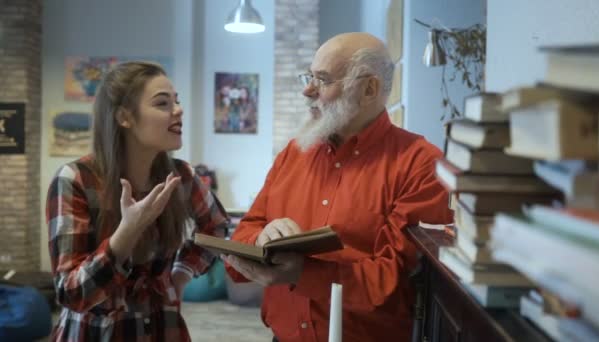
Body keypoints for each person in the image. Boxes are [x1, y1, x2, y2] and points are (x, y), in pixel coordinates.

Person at [224, 32, 453, 342]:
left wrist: (300, 272)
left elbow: (394, 278)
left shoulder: (421, 164)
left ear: (369, 88)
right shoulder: (294, 152)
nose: (307, 90)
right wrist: (261, 241)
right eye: (309, 77)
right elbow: (244, 233)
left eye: (322, 80)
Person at [46, 61, 228, 341]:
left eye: (176, 101)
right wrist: (127, 232)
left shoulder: (181, 176)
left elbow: (216, 227)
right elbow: (71, 293)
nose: (178, 110)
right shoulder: (75, 179)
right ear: (124, 117)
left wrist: (181, 274)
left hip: (162, 328)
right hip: (95, 333)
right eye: (162, 103)